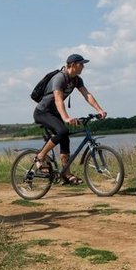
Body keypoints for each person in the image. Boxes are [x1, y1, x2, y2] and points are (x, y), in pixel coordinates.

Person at [32, 53, 106, 185]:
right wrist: (66, 117)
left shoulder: (76, 79)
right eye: (81, 64)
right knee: (62, 132)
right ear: (72, 65)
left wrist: (99, 110)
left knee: (65, 137)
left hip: (54, 113)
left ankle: (66, 174)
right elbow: (58, 98)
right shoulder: (60, 78)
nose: (83, 66)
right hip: (42, 112)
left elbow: (86, 94)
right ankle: (40, 156)